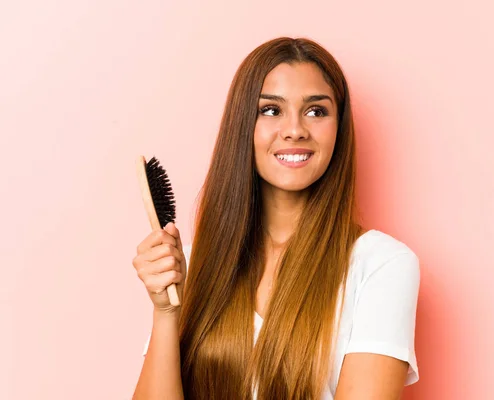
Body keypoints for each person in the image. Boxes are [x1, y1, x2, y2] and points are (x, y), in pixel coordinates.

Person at [131, 37, 420, 400]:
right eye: (270, 110)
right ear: (242, 126)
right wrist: (166, 313)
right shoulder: (190, 266)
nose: (295, 129)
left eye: (316, 111)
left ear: (339, 129)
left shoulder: (381, 265)